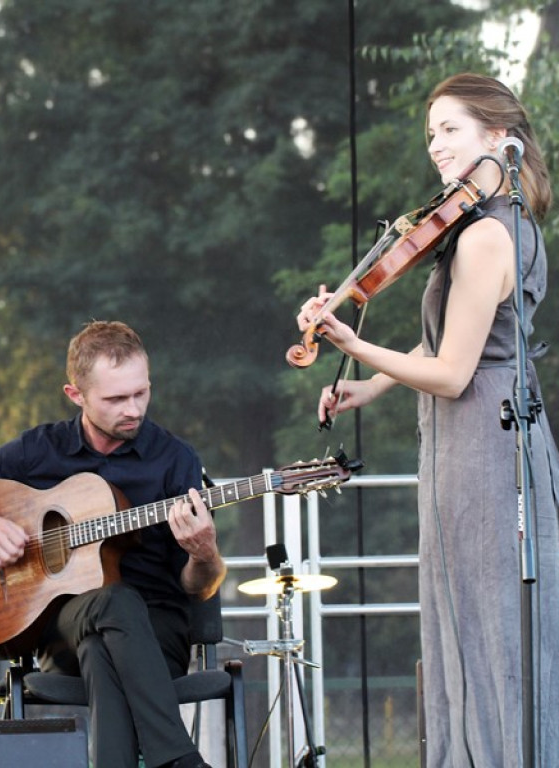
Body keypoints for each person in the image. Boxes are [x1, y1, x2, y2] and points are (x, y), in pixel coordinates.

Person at [296, 73, 559, 766]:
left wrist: (351, 343)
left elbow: (453, 372)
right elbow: (446, 342)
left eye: (451, 129)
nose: (436, 146)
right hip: (472, 439)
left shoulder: (485, 239)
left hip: (483, 443)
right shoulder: (495, 228)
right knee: (468, 628)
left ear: (498, 139)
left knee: (486, 632)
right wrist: (368, 385)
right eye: (431, 134)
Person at [0, 320, 225, 768]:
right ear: (76, 395)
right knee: (111, 604)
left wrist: (204, 552)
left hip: (156, 634)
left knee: (105, 637)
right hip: (58, 628)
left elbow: (199, 588)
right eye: (116, 399)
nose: (133, 409)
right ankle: (179, 759)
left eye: (141, 393)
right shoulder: (40, 450)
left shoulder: (176, 460)